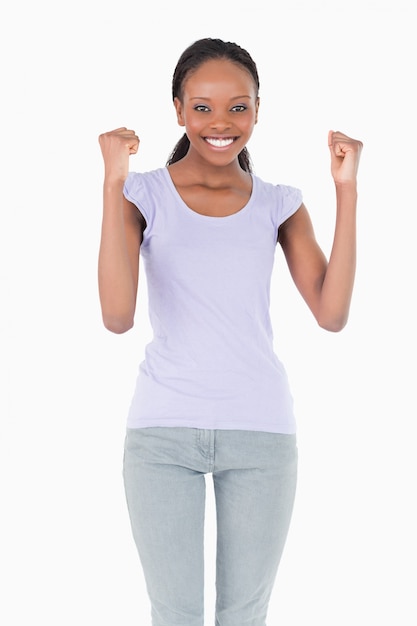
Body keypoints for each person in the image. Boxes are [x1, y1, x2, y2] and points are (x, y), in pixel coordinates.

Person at [98, 37, 362, 626]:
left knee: (245, 616)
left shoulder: (280, 204)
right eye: (203, 107)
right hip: (162, 436)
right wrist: (113, 180)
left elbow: (331, 312)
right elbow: (116, 315)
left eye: (238, 107)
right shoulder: (142, 195)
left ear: (259, 109)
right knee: (176, 614)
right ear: (177, 109)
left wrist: (345, 189)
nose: (221, 123)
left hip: (261, 435)